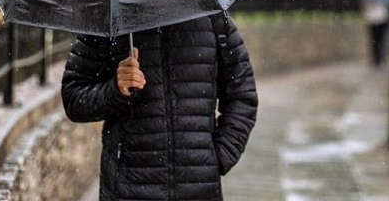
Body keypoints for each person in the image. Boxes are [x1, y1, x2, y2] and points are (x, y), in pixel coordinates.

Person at [61, 12, 258, 201]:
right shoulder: (108, 20)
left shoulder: (212, 17)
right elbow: (73, 97)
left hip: (198, 190)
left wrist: (218, 156)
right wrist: (116, 90)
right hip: (129, 189)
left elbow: (242, 96)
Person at [360, 0, 389, 67]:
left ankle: (376, 57)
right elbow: (387, 4)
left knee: (374, 39)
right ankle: (380, 56)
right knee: (381, 39)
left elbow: (364, 5)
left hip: (371, 18)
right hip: (382, 18)